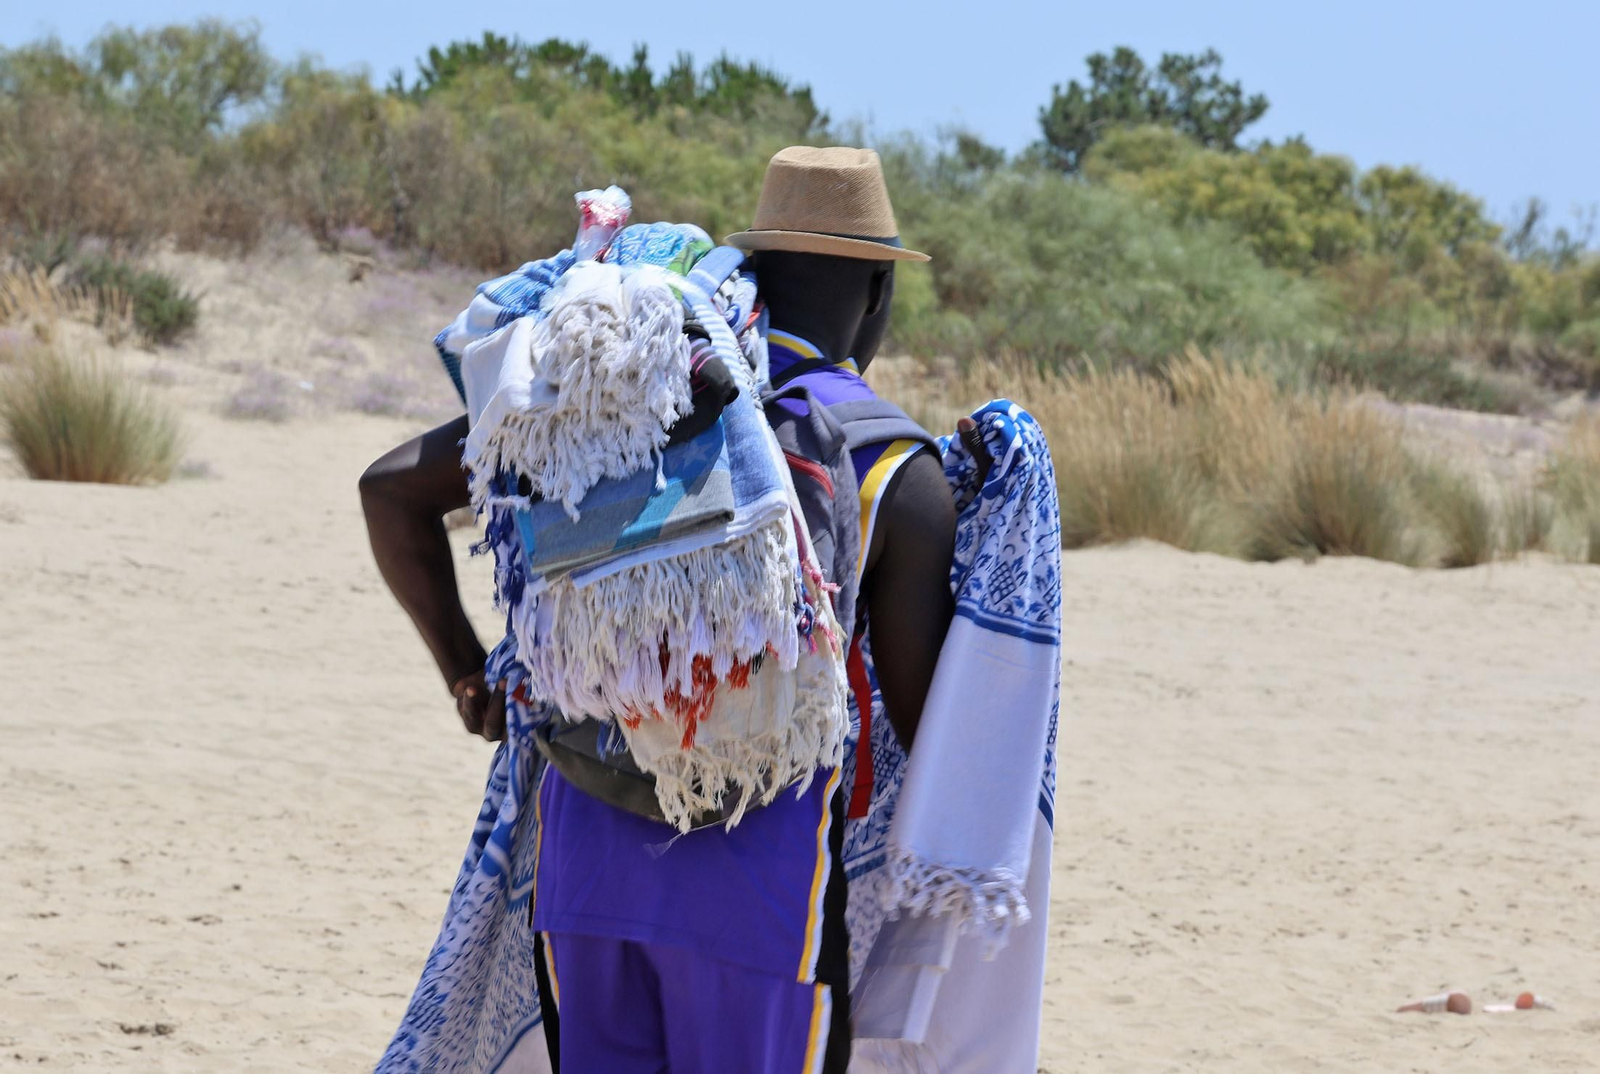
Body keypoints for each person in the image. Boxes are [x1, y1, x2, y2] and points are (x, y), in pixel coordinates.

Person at [360, 147, 971, 1072]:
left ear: (751, 270)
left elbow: (389, 489)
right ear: (880, 294)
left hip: (584, 867)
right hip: (760, 894)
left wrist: (467, 668)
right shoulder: (893, 465)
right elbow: (936, 743)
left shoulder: (630, 395)